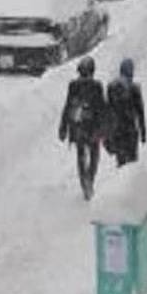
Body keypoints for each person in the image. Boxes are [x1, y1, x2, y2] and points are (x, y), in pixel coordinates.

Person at [59, 56, 106, 201]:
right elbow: (101, 108)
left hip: (78, 126)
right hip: (92, 127)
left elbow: (67, 106)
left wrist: (63, 127)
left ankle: (84, 182)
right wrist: (103, 127)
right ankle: (90, 179)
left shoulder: (73, 85)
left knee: (80, 155)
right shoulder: (97, 86)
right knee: (94, 155)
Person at [105, 58, 147, 167]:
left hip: (117, 131)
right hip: (130, 129)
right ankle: (130, 184)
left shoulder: (111, 87)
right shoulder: (134, 88)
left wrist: (107, 134)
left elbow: (107, 110)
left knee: (121, 164)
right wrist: (143, 133)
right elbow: (140, 112)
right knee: (131, 165)